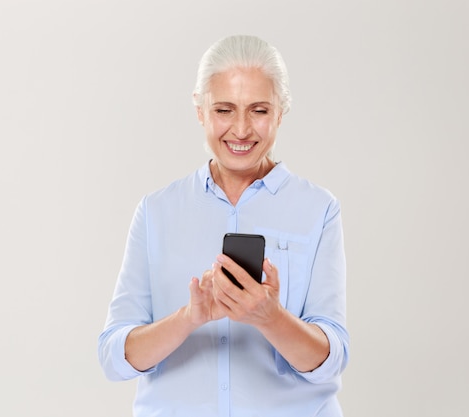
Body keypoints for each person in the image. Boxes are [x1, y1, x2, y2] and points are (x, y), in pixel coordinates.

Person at [98, 34, 349, 417]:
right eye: (224, 110)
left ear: (281, 112)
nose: (242, 130)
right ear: (200, 110)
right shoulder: (157, 211)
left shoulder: (318, 209)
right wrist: (190, 318)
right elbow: (114, 358)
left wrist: (270, 317)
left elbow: (331, 358)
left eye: (260, 110)